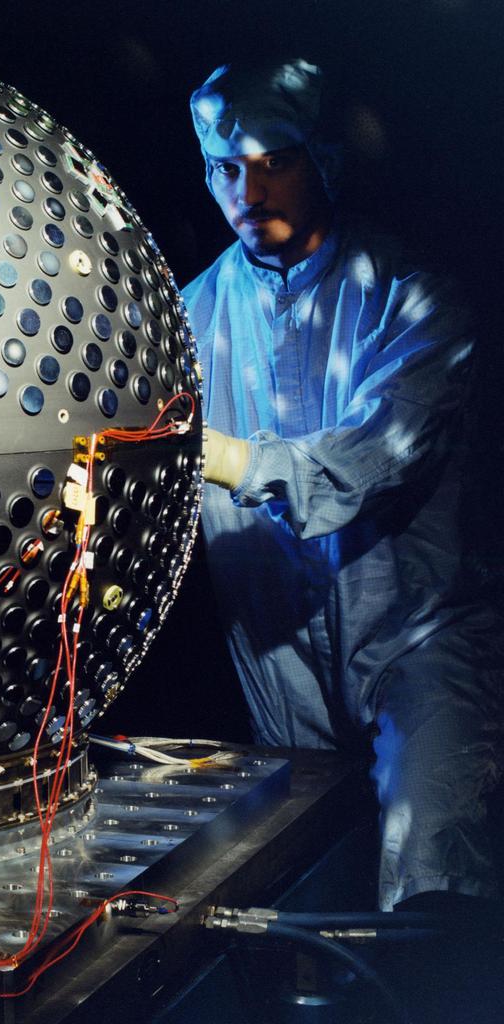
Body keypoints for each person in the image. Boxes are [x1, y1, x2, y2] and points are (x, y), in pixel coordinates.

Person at [183, 58, 501, 912]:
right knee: (295, 887)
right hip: (276, 654)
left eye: (272, 159)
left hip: (416, 644)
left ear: (324, 156)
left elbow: (379, 453)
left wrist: (222, 456)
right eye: (225, 166)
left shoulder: (409, 295)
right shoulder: (191, 317)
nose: (247, 187)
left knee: (429, 863)